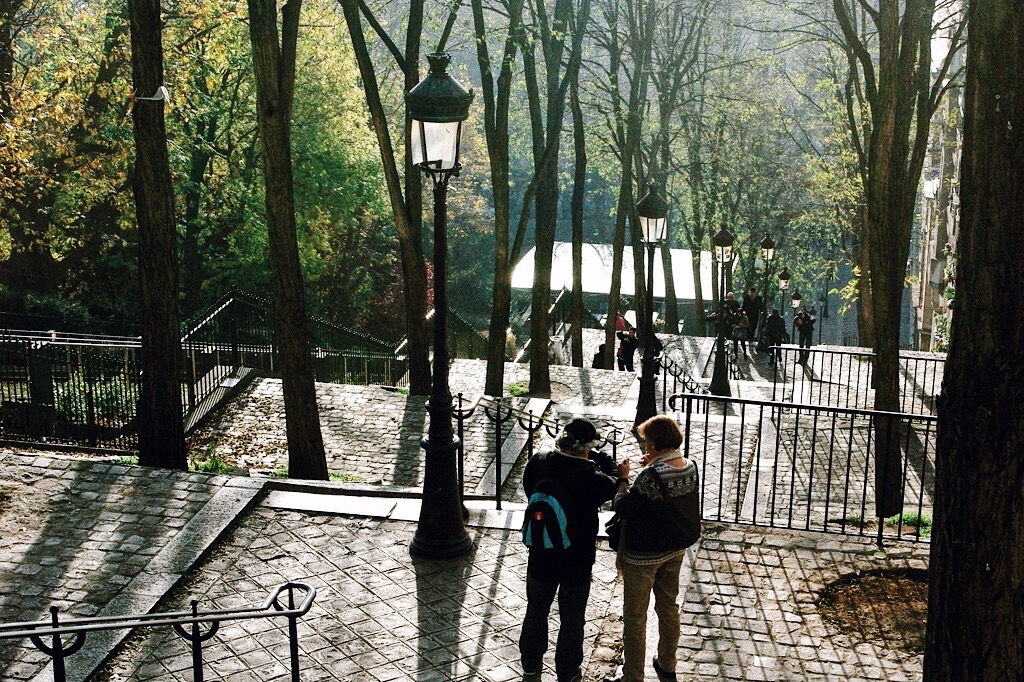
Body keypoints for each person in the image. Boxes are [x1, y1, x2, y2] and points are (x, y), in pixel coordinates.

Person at [520, 418, 630, 682]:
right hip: (576, 558)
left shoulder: (540, 461)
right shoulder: (591, 477)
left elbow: (528, 490)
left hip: (542, 549)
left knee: (536, 608)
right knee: (572, 618)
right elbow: (614, 483)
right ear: (586, 449)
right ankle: (568, 672)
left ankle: (530, 666)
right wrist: (622, 474)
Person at [605, 415, 701, 682]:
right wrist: (653, 467)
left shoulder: (649, 477)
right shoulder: (690, 466)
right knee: (668, 606)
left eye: (647, 442)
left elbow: (623, 506)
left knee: (635, 616)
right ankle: (668, 662)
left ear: (657, 444)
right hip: (674, 549)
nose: (645, 447)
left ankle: (633, 675)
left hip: (643, 556)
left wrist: (623, 480)